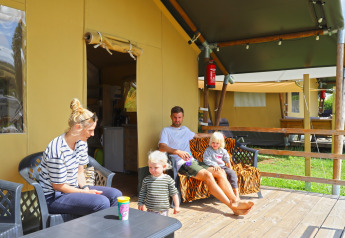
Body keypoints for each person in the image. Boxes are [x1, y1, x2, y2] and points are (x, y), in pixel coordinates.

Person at [158, 106, 254, 215]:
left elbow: (198, 135)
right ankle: (231, 206)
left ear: (183, 117)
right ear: (171, 117)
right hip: (182, 163)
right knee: (207, 175)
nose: (177, 120)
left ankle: (236, 201)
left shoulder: (185, 129)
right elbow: (162, 147)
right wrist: (177, 152)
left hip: (192, 161)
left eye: (179, 117)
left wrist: (212, 135)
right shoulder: (166, 131)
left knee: (220, 171)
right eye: (175, 117)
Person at [39, 98, 122, 216]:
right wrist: (84, 193)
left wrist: (85, 188)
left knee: (116, 195)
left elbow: (80, 173)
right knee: (101, 202)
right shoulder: (57, 149)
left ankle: (113, 230)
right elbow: (58, 186)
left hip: (74, 189)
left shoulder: (81, 143)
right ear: (78, 127)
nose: (93, 134)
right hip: (54, 197)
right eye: (90, 130)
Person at [138, 150, 180, 216]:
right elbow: (143, 192)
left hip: (163, 211)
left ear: (164, 167)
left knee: (162, 225)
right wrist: (140, 202)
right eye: (150, 167)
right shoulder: (147, 180)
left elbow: (174, 193)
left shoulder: (168, 179)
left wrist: (176, 206)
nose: (152, 170)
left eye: (156, 167)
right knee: (150, 225)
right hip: (150, 210)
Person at [203, 131, 239, 199]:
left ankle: (236, 192)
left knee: (232, 173)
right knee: (222, 175)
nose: (215, 145)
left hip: (222, 166)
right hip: (212, 167)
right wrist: (214, 165)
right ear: (211, 142)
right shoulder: (208, 150)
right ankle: (224, 194)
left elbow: (227, 159)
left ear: (220, 143)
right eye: (213, 142)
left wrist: (230, 167)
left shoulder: (222, 150)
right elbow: (206, 160)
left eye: (217, 143)